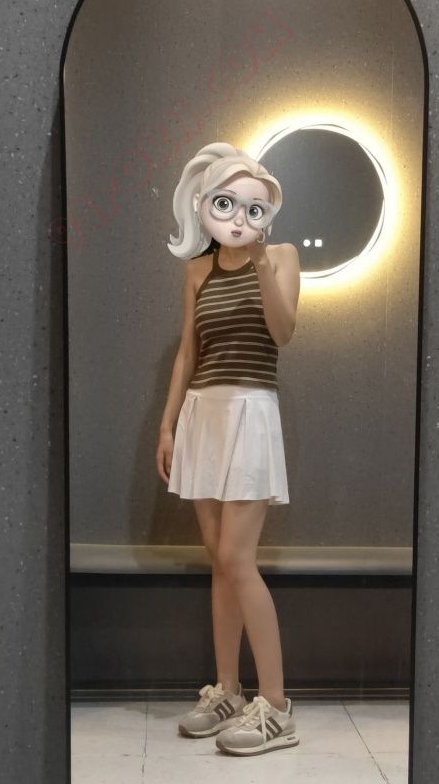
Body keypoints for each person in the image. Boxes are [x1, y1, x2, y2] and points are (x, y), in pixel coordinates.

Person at [156, 142, 301, 756]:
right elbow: (188, 353)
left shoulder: (282, 256)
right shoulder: (196, 272)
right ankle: (229, 692)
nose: (240, 218)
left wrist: (263, 264)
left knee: (239, 560)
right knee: (219, 560)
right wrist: (167, 427)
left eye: (252, 207)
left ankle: (278, 706)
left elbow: (284, 332)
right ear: (207, 205)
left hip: (251, 411)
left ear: (266, 211)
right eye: (227, 204)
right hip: (203, 415)